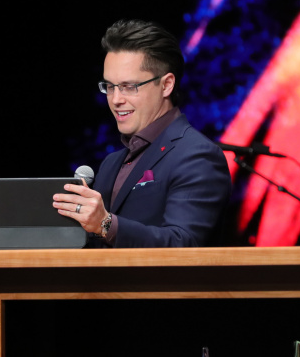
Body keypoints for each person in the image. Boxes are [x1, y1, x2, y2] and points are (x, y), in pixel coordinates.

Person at [53, 19, 231, 247]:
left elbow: (183, 245)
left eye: (129, 86)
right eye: (110, 86)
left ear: (166, 85)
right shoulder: (111, 163)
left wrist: (105, 224)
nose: (116, 99)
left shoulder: (197, 156)